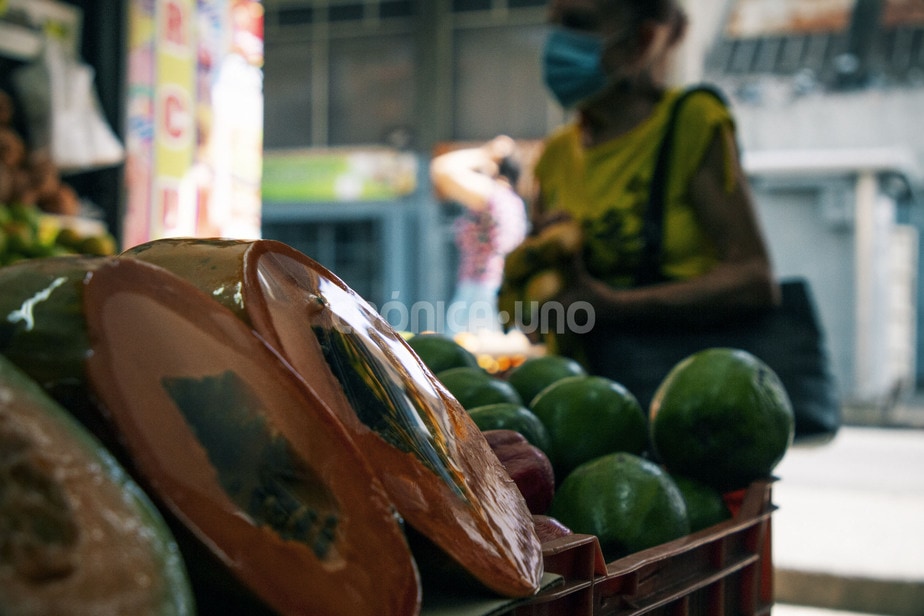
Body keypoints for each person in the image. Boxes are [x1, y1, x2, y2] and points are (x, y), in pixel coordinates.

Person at [529, 0, 780, 404]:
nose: (556, 43)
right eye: (554, 24)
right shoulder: (554, 156)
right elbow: (544, 310)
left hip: (689, 403)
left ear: (640, 42)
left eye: (578, 23)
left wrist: (618, 306)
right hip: (580, 406)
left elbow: (754, 278)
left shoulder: (691, 121)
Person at [431, 135, 529, 336]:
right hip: (503, 290)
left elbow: (441, 169)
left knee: (459, 355)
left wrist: (485, 153)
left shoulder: (492, 195)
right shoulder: (513, 203)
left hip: (480, 290)